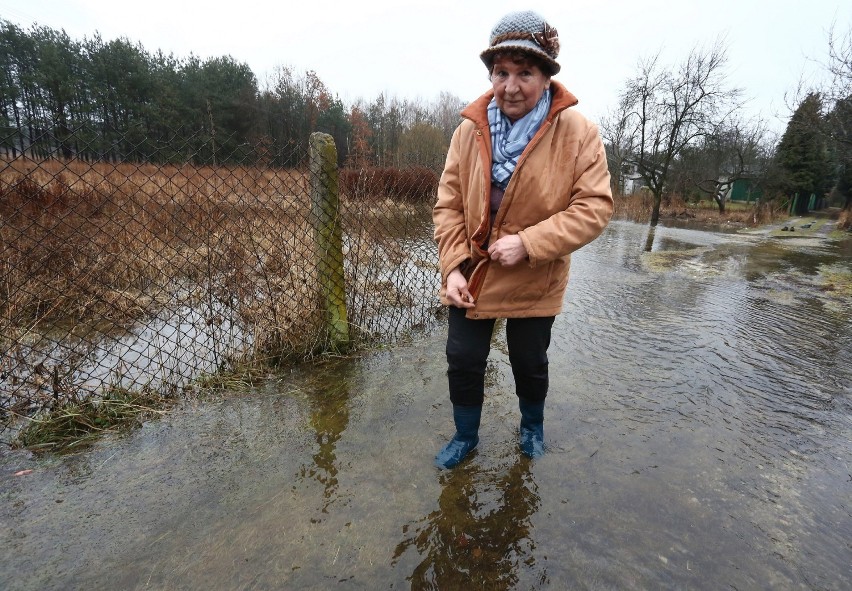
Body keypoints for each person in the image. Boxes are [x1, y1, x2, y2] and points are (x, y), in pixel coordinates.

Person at [433, 10, 614, 469]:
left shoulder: (579, 133)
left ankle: (531, 427)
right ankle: (465, 436)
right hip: (474, 271)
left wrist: (528, 243)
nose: (510, 86)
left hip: (536, 273)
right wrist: (453, 265)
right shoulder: (467, 131)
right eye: (501, 73)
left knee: (528, 362)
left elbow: (594, 208)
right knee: (462, 358)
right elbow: (449, 204)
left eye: (524, 73)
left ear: (547, 75)